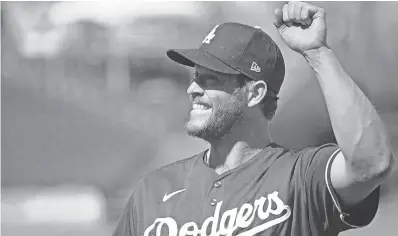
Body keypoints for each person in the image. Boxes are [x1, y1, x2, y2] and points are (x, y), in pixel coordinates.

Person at [112, 2, 395, 236]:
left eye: (210, 78)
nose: (193, 88)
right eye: (195, 76)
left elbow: (372, 163)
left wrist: (317, 53)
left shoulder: (301, 177)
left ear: (255, 93)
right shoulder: (152, 191)